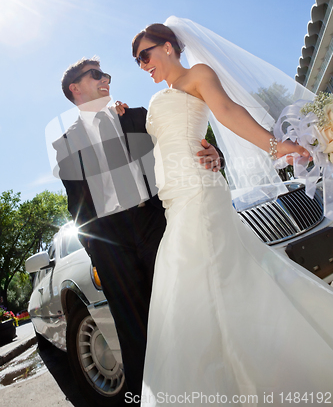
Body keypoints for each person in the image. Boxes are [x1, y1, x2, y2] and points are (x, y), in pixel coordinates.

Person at [131, 20, 333, 406]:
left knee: (209, 283)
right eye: (137, 61)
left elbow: (227, 111)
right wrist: (213, 152)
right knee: (205, 286)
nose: (143, 65)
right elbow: (181, 140)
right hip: (176, 200)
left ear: (169, 46)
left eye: (146, 55)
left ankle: (247, 385)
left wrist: (277, 146)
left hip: (200, 196)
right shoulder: (163, 97)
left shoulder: (198, 75)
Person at [52, 57, 223, 398]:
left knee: (181, 307)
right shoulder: (65, 145)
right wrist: (98, 254)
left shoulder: (136, 117)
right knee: (135, 330)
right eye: (97, 75)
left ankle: (209, 388)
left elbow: (181, 146)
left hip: (153, 221)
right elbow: (78, 207)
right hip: (110, 240)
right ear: (75, 88)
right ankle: (150, 398)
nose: (107, 80)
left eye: (107, 75)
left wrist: (213, 153)